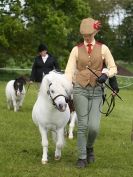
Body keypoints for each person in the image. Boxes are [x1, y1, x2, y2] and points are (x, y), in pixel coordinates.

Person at [65, 17, 118, 168]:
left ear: (95, 32)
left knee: (94, 127)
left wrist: (106, 74)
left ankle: (89, 147)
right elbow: (69, 71)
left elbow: (113, 67)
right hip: (80, 89)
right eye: (84, 35)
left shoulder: (103, 48)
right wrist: (67, 86)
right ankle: (81, 157)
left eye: (89, 34)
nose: (86, 37)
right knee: (82, 125)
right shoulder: (76, 49)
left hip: (96, 91)